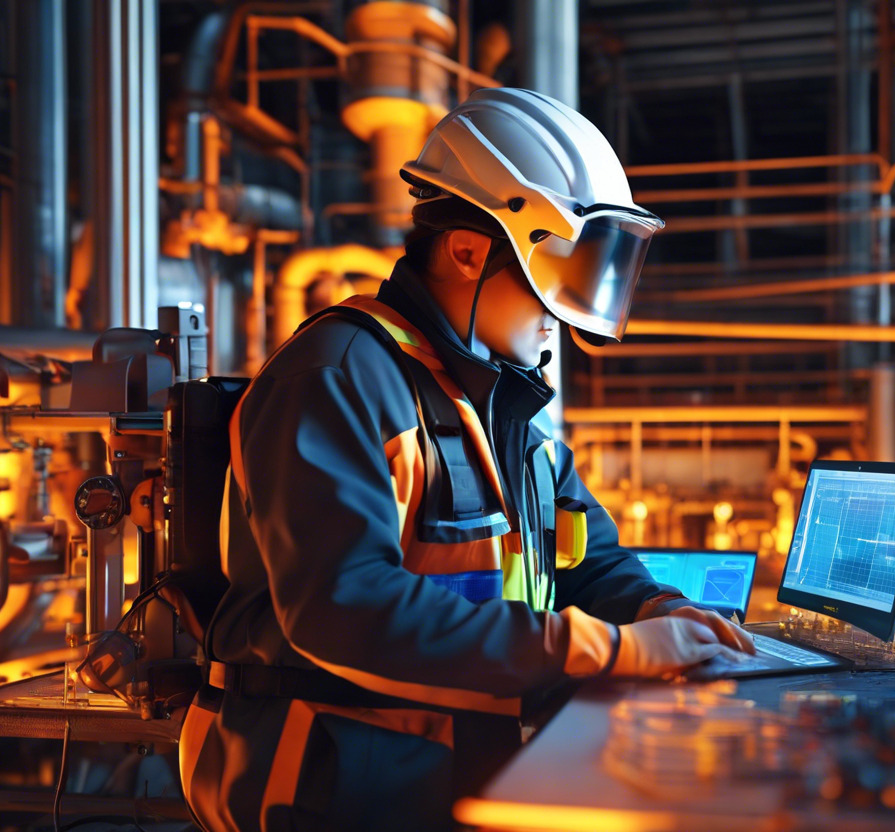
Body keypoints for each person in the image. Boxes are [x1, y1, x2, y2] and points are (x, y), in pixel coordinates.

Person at [178, 88, 753, 832]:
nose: (561, 312)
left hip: (448, 775)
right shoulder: (339, 376)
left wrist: (659, 610)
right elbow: (346, 609)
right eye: (554, 278)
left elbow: (587, 555)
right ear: (469, 250)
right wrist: (611, 650)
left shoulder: (499, 403)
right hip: (332, 784)